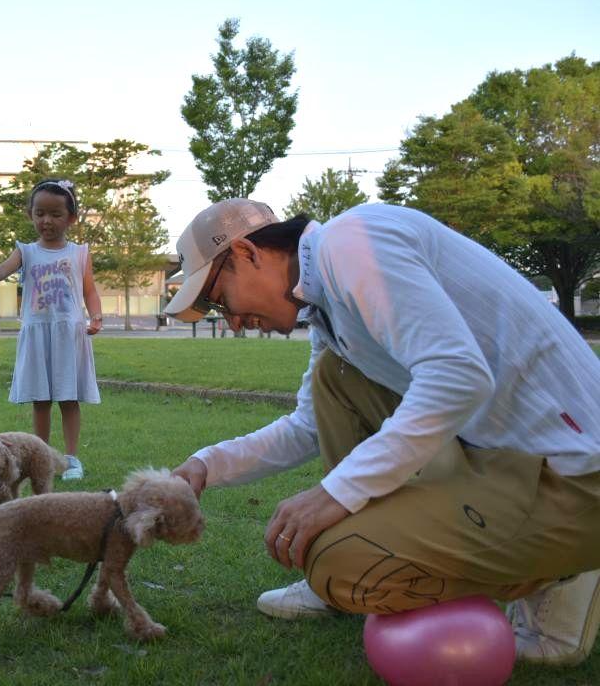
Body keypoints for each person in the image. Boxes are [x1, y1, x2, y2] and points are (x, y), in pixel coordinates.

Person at [166, 198, 600, 666]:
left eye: (216, 296)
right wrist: (206, 465)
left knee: (338, 564)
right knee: (338, 376)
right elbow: (307, 426)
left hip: (574, 476)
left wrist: (336, 494)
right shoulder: (328, 302)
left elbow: (457, 375)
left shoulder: (352, 243)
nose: (230, 321)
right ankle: (381, 552)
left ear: (247, 252)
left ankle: (562, 574)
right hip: (505, 459)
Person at [0, 178, 102, 480]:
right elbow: (1, 269)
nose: (46, 220)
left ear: (71, 218)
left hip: (68, 333)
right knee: (41, 400)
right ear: (31, 214)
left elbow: (89, 289)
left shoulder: (79, 253)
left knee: (68, 398)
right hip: (38, 333)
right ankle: (42, 456)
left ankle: (71, 458)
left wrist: (96, 315)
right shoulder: (26, 251)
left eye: (55, 214)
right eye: (40, 213)